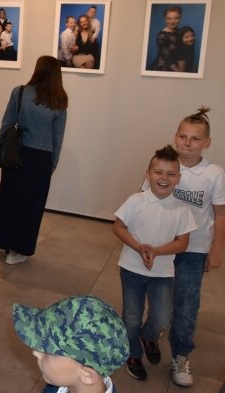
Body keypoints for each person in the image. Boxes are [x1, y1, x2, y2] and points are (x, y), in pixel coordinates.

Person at [143, 108, 224, 386]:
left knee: (187, 304)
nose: (187, 143)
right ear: (175, 137)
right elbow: (145, 202)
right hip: (162, 247)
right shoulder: (164, 165)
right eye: (183, 136)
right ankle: (150, 334)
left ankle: (180, 355)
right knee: (159, 302)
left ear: (207, 142)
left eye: (195, 139)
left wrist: (216, 249)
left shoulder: (214, 174)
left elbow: (220, 214)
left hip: (194, 251)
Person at [113, 145, 196, 381]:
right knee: (131, 316)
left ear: (178, 178)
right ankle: (134, 354)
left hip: (163, 273)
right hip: (131, 269)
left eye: (171, 174)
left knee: (161, 317)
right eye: (158, 172)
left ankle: (149, 336)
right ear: (148, 174)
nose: (164, 178)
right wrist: (139, 248)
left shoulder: (181, 209)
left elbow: (182, 243)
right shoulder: (135, 201)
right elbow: (118, 227)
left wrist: (155, 251)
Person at [0, 56, 68, 264]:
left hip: (17, 153)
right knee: (32, 206)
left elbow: (7, 124)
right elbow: (58, 137)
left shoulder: (20, 91)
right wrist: (53, 164)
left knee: (7, 197)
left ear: (37, 69)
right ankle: (18, 250)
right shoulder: (60, 100)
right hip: (41, 158)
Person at [13, 295, 129, 393]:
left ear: (87, 376)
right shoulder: (61, 384)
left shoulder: (62, 379)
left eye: (49, 350)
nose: (36, 352)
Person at [150, 6, 182, 71]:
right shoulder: (162, 36)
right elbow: (167, 57)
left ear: (180, 18)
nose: (172, 21)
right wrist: (179, 73)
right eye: (169, 18)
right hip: (162, 69)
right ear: (165, 19)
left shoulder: (181, 32)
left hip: (177, 67)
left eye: (176, 18)